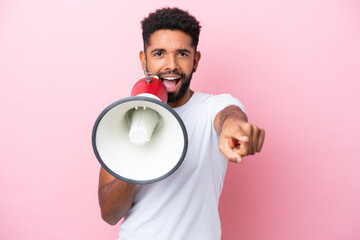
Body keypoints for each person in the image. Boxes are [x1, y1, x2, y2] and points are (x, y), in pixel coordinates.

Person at [98, 7, 265, 240]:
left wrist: (233, 130)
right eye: (159, 53)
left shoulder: (213, 107)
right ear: (143, 59)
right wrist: (134, 145)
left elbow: (230, 116)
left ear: (195, 60)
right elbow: (110, 214)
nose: (171, 65)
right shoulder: (120, 116)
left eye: (182, 54)